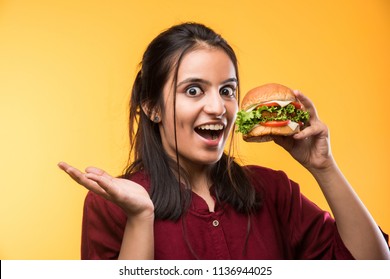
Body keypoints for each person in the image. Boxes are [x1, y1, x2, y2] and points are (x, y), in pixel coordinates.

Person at [58, 22, 390, 260]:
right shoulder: (112, 204)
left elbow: (374, 267)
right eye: (193, 90)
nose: (218, 108)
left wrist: (324, 166)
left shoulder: (273, 191)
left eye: (227, 90)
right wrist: (141, 217)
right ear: (152, 107)